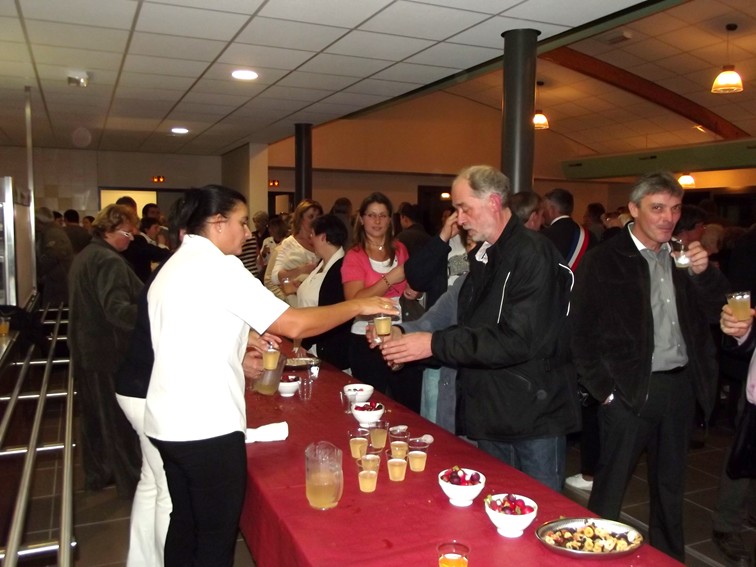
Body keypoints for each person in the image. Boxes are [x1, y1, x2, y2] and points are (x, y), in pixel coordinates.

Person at [143, 185, 395, 567]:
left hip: (166, 421)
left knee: (185, 523)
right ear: (216, 223)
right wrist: (357, 304)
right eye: (242, 223)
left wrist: (239, 345)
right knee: (214, 536)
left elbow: (187, 333)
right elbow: (293, 323)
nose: (247, 233)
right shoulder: (218, 266)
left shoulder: (174, 264)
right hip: (205, 426)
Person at [380, 165, 579, 491]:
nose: (458, 218)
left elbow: (517, 340)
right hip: (493, 411)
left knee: (539, 512)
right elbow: (465, 329)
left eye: (463, 208)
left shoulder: (532, 253)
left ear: (493, 202)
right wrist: (408, 343)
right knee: (498, 510)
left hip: (533, 415)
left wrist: (431, 345)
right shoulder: (486, 258)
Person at [571, 172, 729, 561]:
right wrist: (605, 391)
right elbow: (580, 333)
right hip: (628, 390)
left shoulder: (681, 257)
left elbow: (714, 312)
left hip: (678, 386)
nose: (667, 218)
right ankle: (592, 555)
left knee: (670, 487)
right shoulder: (605, 260)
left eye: (674, 209)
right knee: (611, 486)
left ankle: (668, 558)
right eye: (657, 208)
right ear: (633, 209)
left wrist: (705, 274)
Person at [68, 204, 143, 497]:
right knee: (117, 423)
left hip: (86, 349)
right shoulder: (108, 261)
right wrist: (152, 312)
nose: (131, 238)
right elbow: (117, 311)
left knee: (94, 420)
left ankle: (98, 474)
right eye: (127, 232)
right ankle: (132, 484)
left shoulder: (87, 254)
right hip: (107, 352)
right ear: (110, 230)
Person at [342, 192, 421, 411]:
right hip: (366, 340)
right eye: (371, 215)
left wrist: (414, 291)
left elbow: (407, 288)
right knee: (371, 406)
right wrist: (389, 279)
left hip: (399, 333)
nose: (377, 221)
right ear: (361, 219)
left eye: (383, 215)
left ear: (389, 220)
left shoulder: (400, 249)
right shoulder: (354, 256)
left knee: (407, 406)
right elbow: (353, 300)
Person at [295, 214, 351, 370]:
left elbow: (331, 312)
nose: (310, 240)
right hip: (313, 343)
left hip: (329, 349)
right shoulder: (322, 264)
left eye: (312, 235)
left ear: (323, 237)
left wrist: (304, 343)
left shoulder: (341, 268)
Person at [270, 199, 323, 304]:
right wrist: (303, 269)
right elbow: (275, 277)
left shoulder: (322, 240)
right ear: (300, 219)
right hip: (297, 302)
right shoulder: (290, 243)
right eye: (311, 216)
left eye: (318, 217)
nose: (315, 220)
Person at [542, 187, 595, 270]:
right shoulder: (589, 235)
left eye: (544, 209)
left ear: (551, 210)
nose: (542, 212)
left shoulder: (543, 236)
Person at [35, 207, 74, 306]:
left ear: (39, 221)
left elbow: (52, 256)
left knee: (54, 310)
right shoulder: (52, 231)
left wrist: (38, 271)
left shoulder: (53, 233)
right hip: (58, 279)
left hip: (57, 281)